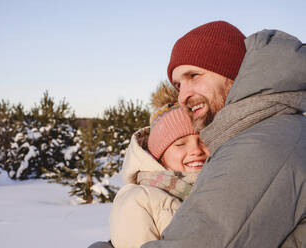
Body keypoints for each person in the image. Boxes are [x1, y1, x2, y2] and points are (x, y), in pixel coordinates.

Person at [89, 20, 306, 248]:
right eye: (178, 85)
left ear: (231, 72)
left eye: (194, 75)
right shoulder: (274, 130)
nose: (183, 96)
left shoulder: (260, 145)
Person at [109, 83, 209, 248]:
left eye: (203, 139)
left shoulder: (223, 187)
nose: (196, 150)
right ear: (160, 156)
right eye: (180, 144)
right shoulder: (139, 200)